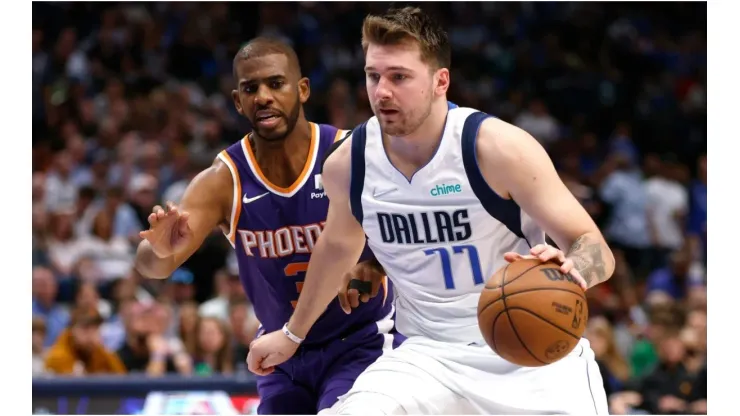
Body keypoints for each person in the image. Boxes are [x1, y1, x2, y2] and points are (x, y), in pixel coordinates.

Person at [247, 8, 615, 414]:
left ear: (441, 81)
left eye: (399, 77)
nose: (381, 91)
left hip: (534, 357)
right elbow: (336, 248)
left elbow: (593, 246)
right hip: (428, 357)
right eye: (373, 76)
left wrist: (573, 267)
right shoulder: (347, 165)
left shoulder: (498, 149)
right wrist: (292, 335)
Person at [134, 37, 396, 414]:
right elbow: (150, 266)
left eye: (276, 83)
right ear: (238, 101)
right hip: (282, 355)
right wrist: (160, 251)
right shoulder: (224, 180)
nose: (263, 96)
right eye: (250, 88)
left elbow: (413, 230)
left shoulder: (348, 153)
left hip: (359, 341)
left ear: (302, 89)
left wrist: (376, 264)